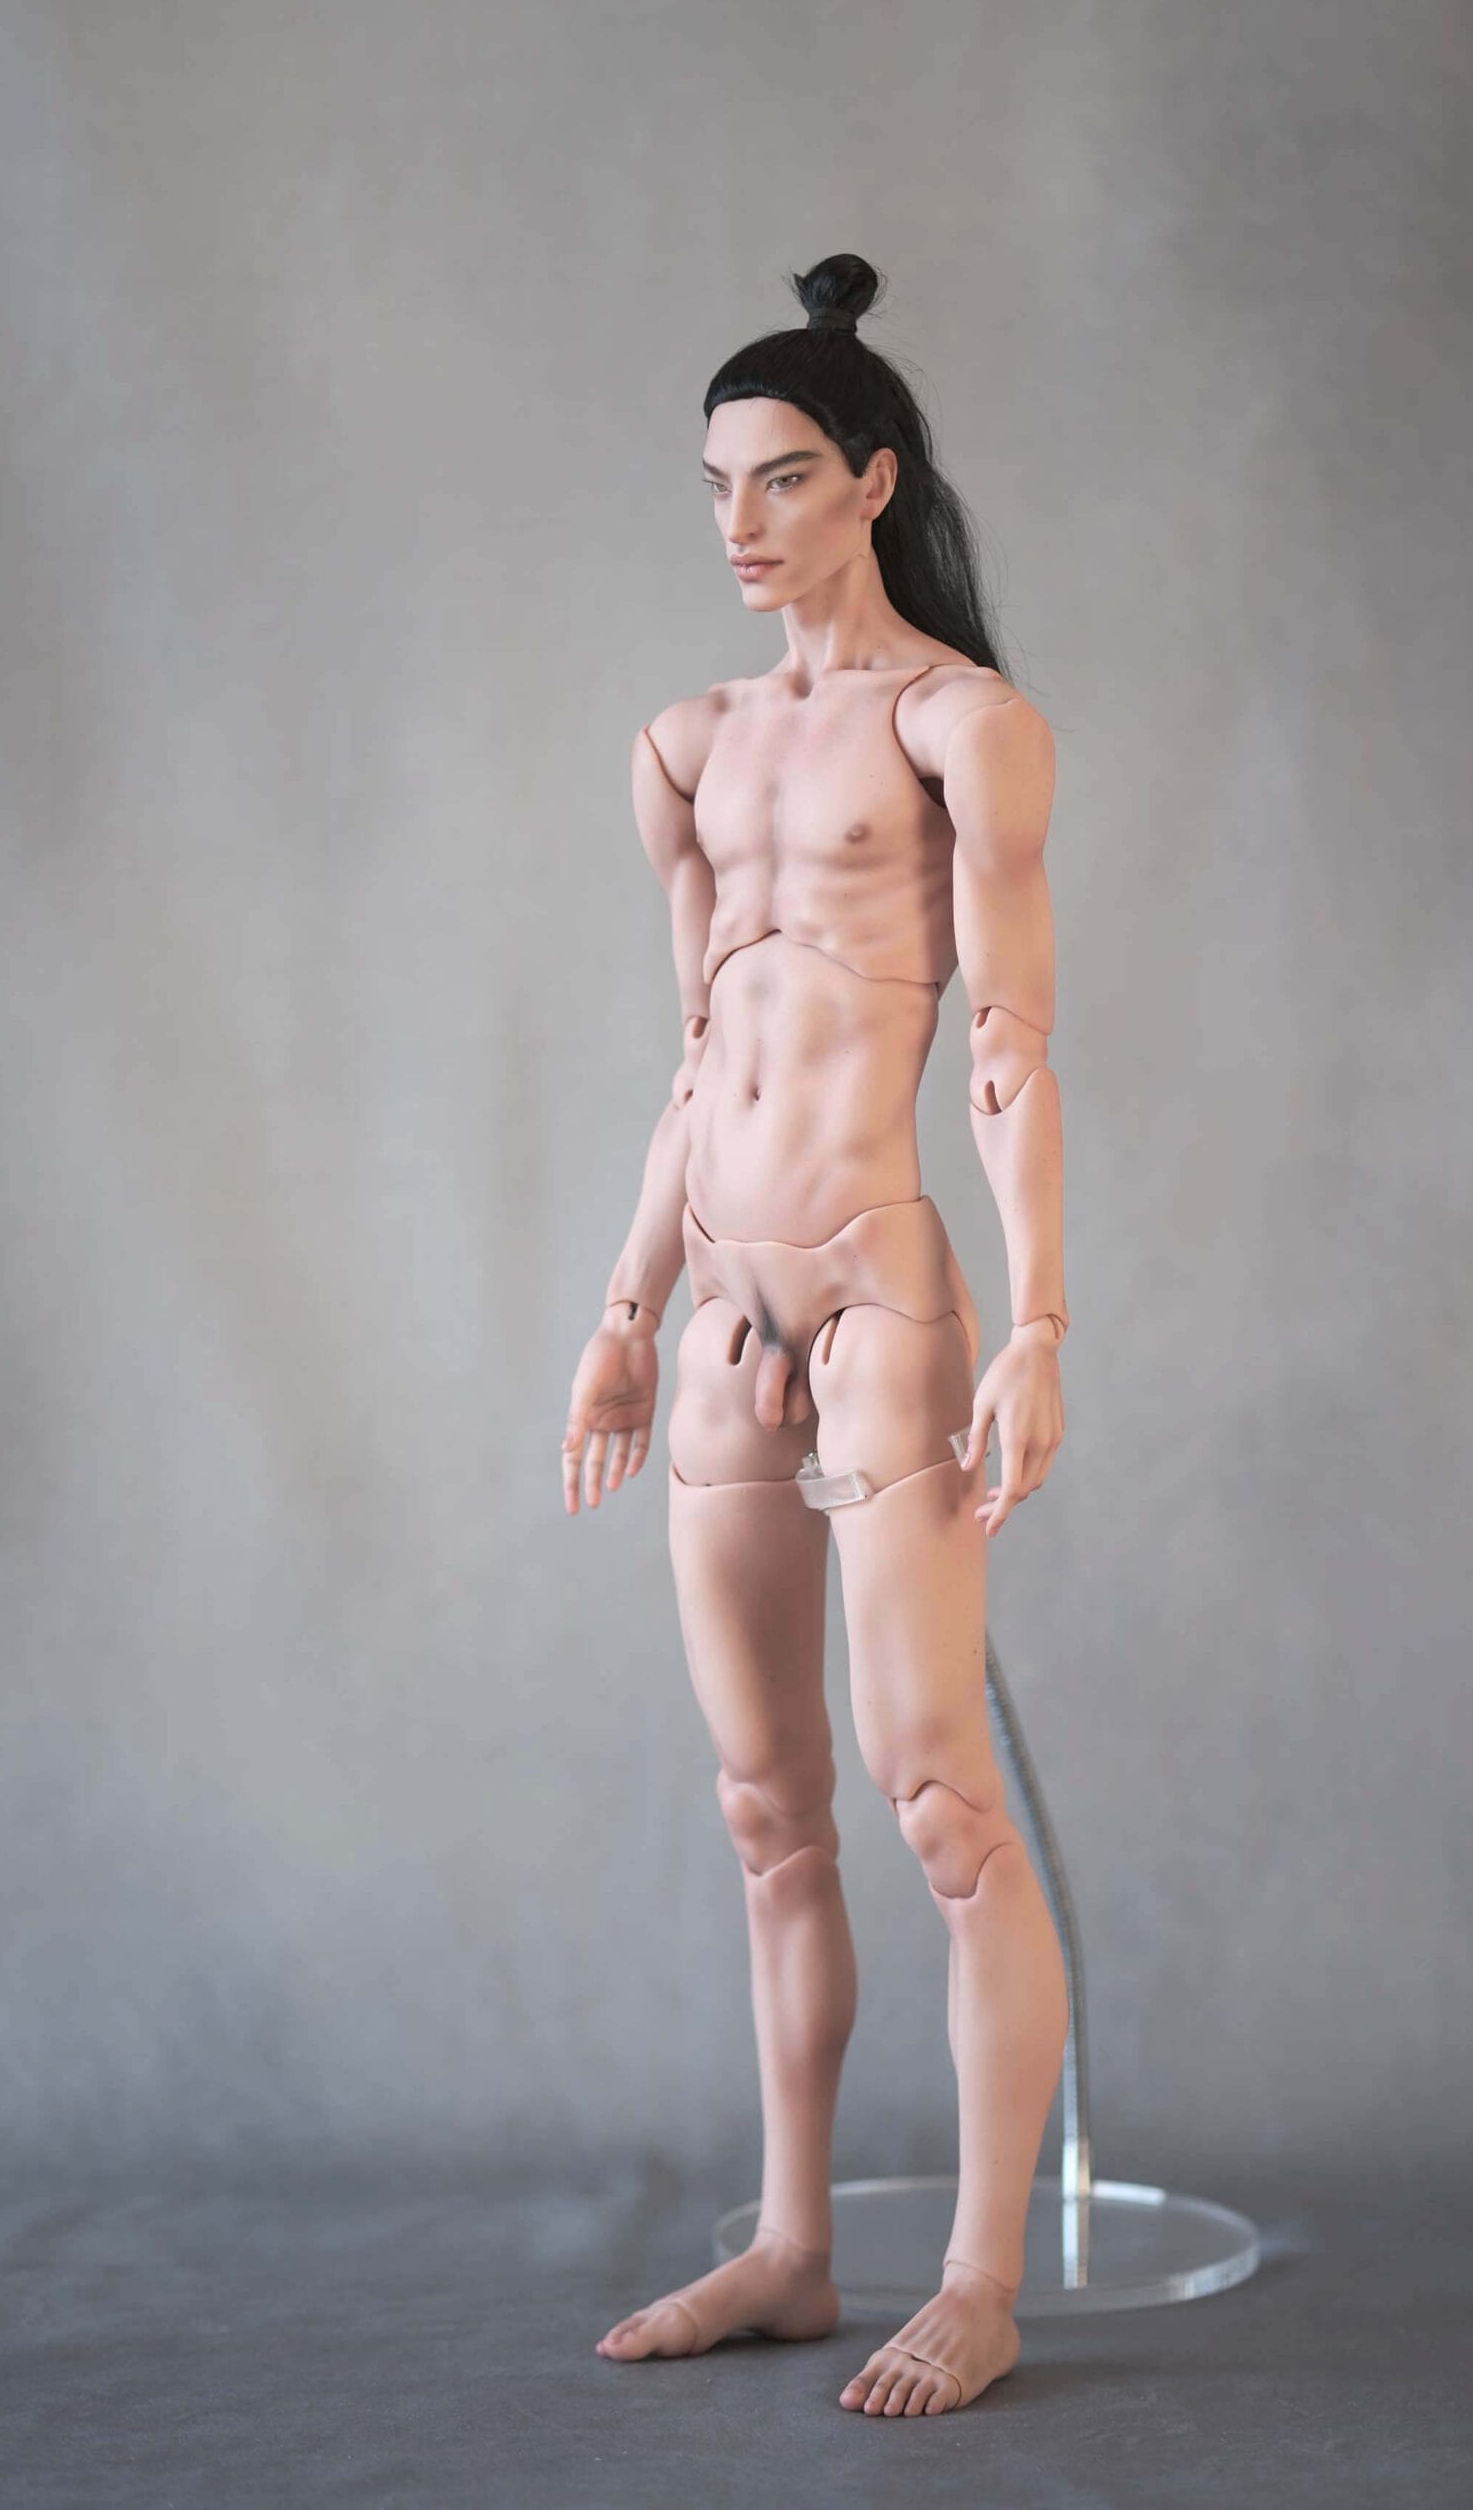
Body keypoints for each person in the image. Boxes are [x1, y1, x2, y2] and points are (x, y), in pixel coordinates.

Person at [563, 252, 1070, 2418]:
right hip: (722, 1323)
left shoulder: (960, 726)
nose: (740, 522)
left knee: (933, 1791)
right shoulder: (685, 745)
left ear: (871, 480)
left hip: (878, 1299)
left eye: (779, 477)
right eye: (714, 487)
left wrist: (1040, 1320)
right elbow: (698, 1057)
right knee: (767, 1806)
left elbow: (1012, 1050)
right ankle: (789, 2245)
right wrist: (623, 1306)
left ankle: (979, 2276)